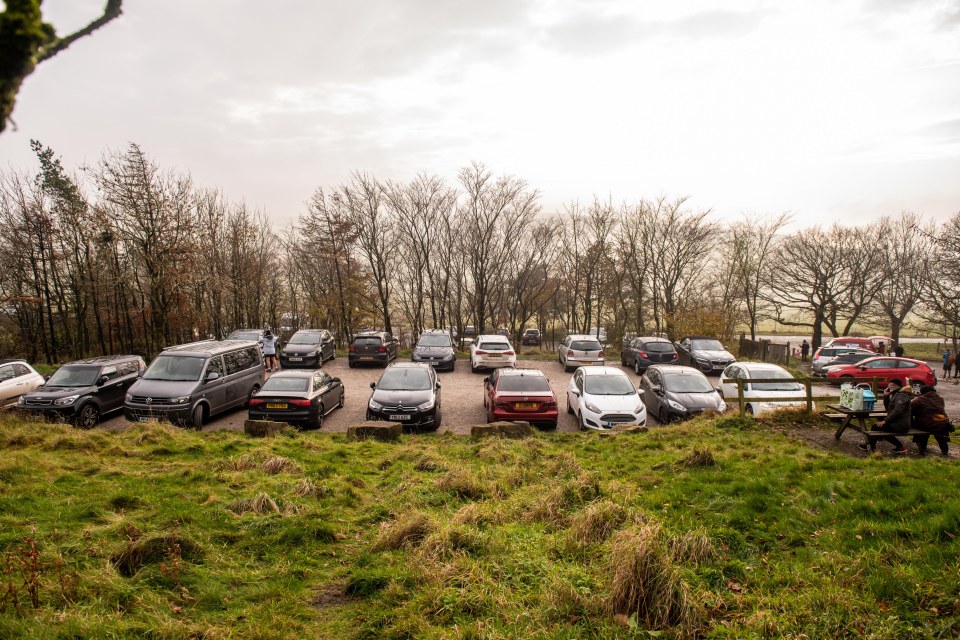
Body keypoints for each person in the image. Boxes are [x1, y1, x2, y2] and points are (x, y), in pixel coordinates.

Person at [860, 378, 910, 454]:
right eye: (890, 385)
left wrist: (885, 421)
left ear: (899, 386)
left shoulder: (901, 396)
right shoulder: (895, 395)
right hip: (897, 423)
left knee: (877, 427)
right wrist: (886, 396)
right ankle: (872, 445)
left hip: (900, 424)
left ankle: (871, 445)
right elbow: (888, 408)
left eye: (893, 385)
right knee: (879, 427)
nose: (891, 387)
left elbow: (898, 411)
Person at [910, 384, 951, 456]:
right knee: (940, 434)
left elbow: (910, 410)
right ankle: (945, 451)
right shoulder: (940, 399)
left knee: (920, 429)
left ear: (922, 392)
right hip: (942, 423)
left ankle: (922, 449)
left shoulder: (919, 400)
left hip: (927, 424)